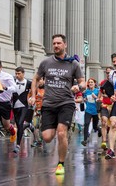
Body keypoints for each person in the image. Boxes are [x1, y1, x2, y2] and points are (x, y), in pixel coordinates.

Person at [29, 34, 86, 175]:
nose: (56, 46)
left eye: (59, 43)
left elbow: (83, 82)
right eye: (54, 43)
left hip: (66, 102)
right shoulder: (46, 63)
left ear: (65, 45)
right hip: (48, 103)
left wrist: (78, 87)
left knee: (61, 133)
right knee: (47, 137)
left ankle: (60, 164)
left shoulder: (73, 64)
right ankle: (57, 131)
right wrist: (33, 95)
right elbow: (35, 79)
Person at [12, 67, 31, 153]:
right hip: (15, 106)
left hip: (24, 106)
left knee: (20, 123)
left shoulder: (28, 82)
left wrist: (32, 97)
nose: (17, 75)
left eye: (19, 73)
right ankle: (28, 125)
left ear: (23, 73)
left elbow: (34, 90)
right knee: (18, 125)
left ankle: (18, 145)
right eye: (16, 73)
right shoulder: (12, 81)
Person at [98, 66, 114, 150]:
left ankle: (111, 143)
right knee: (104, 121)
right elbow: (99, 96)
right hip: (105, 106)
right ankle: (104, 141)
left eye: (110, 73)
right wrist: (100, 100)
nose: (108, 74)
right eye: (107, 73)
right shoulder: (103, 83)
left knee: (112, 125)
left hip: (114, 106)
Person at [81, 78, 100, 146]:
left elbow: (100, 100)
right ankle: (85, 140)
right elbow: (83, 98)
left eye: (92, 82)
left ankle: (99, 130)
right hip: (88, 110)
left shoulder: (97, 91)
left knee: (95, 127)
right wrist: (84, 99)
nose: (90, 83)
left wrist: (96, 97)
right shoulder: (86, 92)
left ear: (95, 83)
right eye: (89, 82)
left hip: (95, 111)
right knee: (86, 124)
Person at [31, 77, 45, 147]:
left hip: (45, 110)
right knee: (35, 125)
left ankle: (41, 140)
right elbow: (29, 97)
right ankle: (37, 141)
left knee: (42, 126)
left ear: (44, 80)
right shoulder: (34, 89)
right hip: (36, 110)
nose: (39, 81)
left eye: (40, 80)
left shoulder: (47, 89)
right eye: (37, 80)